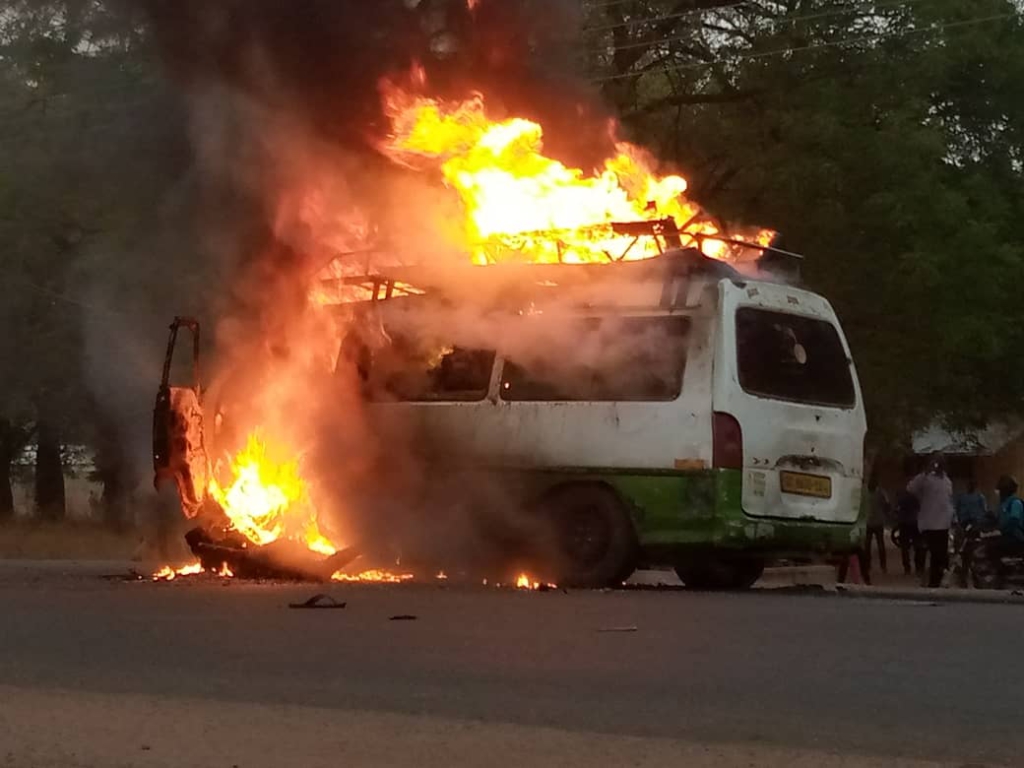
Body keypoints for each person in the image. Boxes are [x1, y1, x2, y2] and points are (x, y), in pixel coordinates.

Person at [907, 453, 954, 587]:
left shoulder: (947, 481)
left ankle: (936, 582)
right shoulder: (925, 478)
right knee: (925, 552)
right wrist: (924, 473)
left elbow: (948, 501)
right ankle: (925, 579)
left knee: (940, 556)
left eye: (941, 462)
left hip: (943, 524)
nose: (938, 465)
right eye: (935, 462)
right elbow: (911, 488)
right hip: (928, 523)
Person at [864, 476, 890, 576]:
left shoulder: (865, 492)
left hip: (869, 521)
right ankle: (883, 566)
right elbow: (887, 505)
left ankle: (867, 565)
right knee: (880, 545)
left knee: (867, 545)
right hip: (878, 521)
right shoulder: (881, 493)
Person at [996, 475, 1024, 555]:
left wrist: (1002, 530)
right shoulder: (1003, 503)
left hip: (1015, 538)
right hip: (1006, 537)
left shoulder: (1015, 502)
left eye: (1001, 489)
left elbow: (1014, 521)